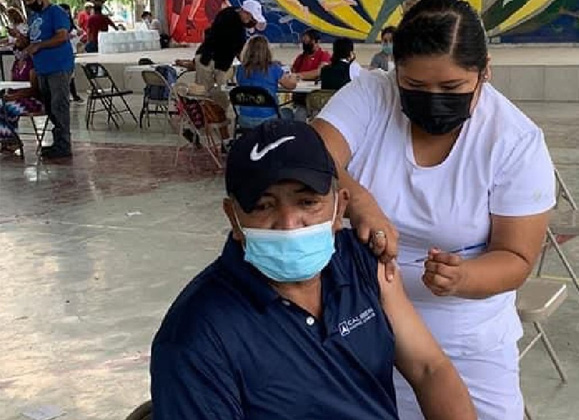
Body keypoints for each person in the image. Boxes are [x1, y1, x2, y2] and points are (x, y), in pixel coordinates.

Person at [313, 0, 555, 418]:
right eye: (415, 86)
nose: (433, 99)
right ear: (396, 71)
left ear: (485, 72)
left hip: (464, 341)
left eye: (452, 87)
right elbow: (308, 156)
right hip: (359, 324)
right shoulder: (372, 95)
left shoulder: (513, 141)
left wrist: (463, 277)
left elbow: (516, 257)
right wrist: (358, 200)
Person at [150, 120, 477, 420]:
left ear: (339, 207)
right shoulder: (197, 335)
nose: (289, 224)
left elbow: (430, 369)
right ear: (233, 218)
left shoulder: (358, 262)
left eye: (307, 202)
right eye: (263, 206)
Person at [24, 0, 75, 159]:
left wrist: (40, 46)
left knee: (59, 105)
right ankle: (57, 140)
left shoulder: (56, 12)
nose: (28, 3)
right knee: (49, 106)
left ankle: (64, 144)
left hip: (58, 65)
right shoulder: (34, 16)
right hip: (42, 67)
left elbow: (62, 36)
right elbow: (33, 39)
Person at [194, 0, 264, 110]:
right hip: (208, 59)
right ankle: (206, 117)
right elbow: (239, 49)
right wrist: (251, 64)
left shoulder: (231, 15)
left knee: (221, 95)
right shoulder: (232, 21)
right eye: (250, 17)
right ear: (245, 12)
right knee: (205, 95)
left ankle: (217, 116)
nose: (250, 21)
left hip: (219, 62)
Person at [234, 35, 297, 128]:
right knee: (288, 112)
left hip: (244, 118)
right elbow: (291, 86)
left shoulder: (240, 69)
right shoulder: (273, 68)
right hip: (268, 119)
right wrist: (293, 77)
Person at [290, 29, 331, 121]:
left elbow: (319, 72)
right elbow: (293, 72)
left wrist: (300, 75)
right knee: (299, 117)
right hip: (301, 98)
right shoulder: (300, 58)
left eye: (308, 42)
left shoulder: (324, 55)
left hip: (316, 98)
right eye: (304, 41)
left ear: (317, 42)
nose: (305, 44)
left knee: (316, 117)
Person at [0, 69, 43, 155]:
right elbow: (12, 84)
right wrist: (8, 96)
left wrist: (14, 97)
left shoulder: (32, 66)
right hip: (17, 97)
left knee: (9, 109)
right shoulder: (16, 65)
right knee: (1, 105)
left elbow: (33, 89)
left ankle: (12, 140)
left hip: (33, 99)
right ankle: (5, 139)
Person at [58, 3, 83, 103]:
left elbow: (78, 34)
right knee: (65, 75)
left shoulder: (71, 24)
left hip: (72, 50)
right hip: (62, 52)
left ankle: (73, 94)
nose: (67, 15)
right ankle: (68, 95)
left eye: (68, 13)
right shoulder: (58, 24)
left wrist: (78, 34)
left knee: (71, 74)